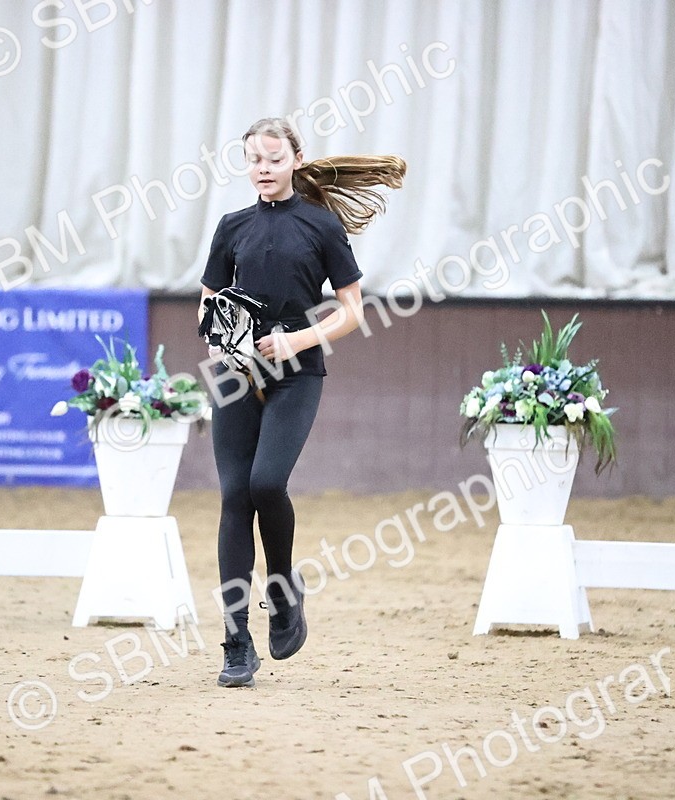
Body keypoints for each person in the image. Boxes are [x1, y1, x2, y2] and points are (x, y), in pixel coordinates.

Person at [198, 117, 405, 687]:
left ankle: (283, 585)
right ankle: (236, 641)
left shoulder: (320, 226)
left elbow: (352, 311)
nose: (261, 169)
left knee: (267, 482)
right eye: (252, 160)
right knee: (235, 495)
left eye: (271, 158)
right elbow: (208, 300)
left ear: (293, 158)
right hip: (236, 373)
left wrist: (296, 339)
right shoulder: (231, 225)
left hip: (297, 372)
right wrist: (219, 334)